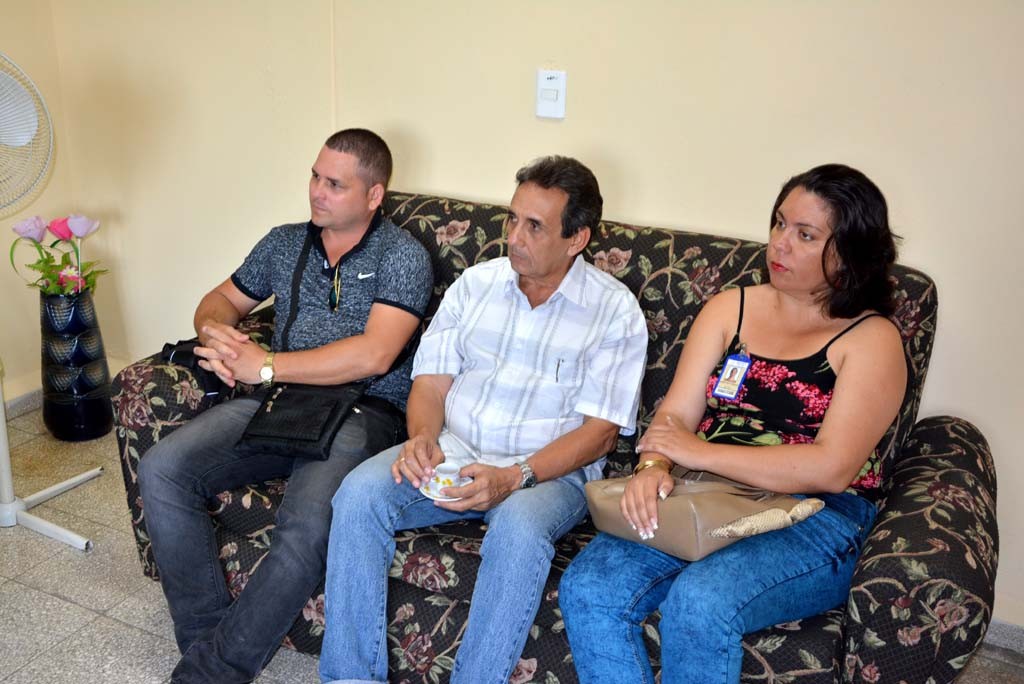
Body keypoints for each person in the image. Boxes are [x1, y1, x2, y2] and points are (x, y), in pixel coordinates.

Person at [558, 164, 907, 684]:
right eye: (779, 223)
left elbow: (830, 468)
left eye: (805, 235)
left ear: (849, 253)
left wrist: (695, 452)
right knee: (589, 587)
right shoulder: (731, 307)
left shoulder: (871, 339)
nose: (779, 244)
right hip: (702, 494)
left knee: (701, 603)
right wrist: (654, 465)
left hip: (815, 517)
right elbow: (674, 416)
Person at [318, 156, 649, 684]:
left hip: (548, 472)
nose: (515, 237)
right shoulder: (476, 285)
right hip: (456, 446)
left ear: (577, 238)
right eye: (512, 219)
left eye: (535, 226)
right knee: (358, 494)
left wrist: (515, 476)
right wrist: (423, 437)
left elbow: (600, 432)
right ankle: (351, 677)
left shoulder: (614, 311)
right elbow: (430, 382)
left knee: (517, 529)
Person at [137, 128, 433, 684]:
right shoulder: (284, 241)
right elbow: (221, 297)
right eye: (316, 177)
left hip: (363, 412)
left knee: (308, 523)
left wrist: (266, 365)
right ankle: (208, 643)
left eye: (335, 184)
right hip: (280, 401)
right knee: (163, 469)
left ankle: (209, 673)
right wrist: (217, 334)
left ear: (374, 195)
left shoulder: (402, 256)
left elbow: (375, 354)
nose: (318, 192)